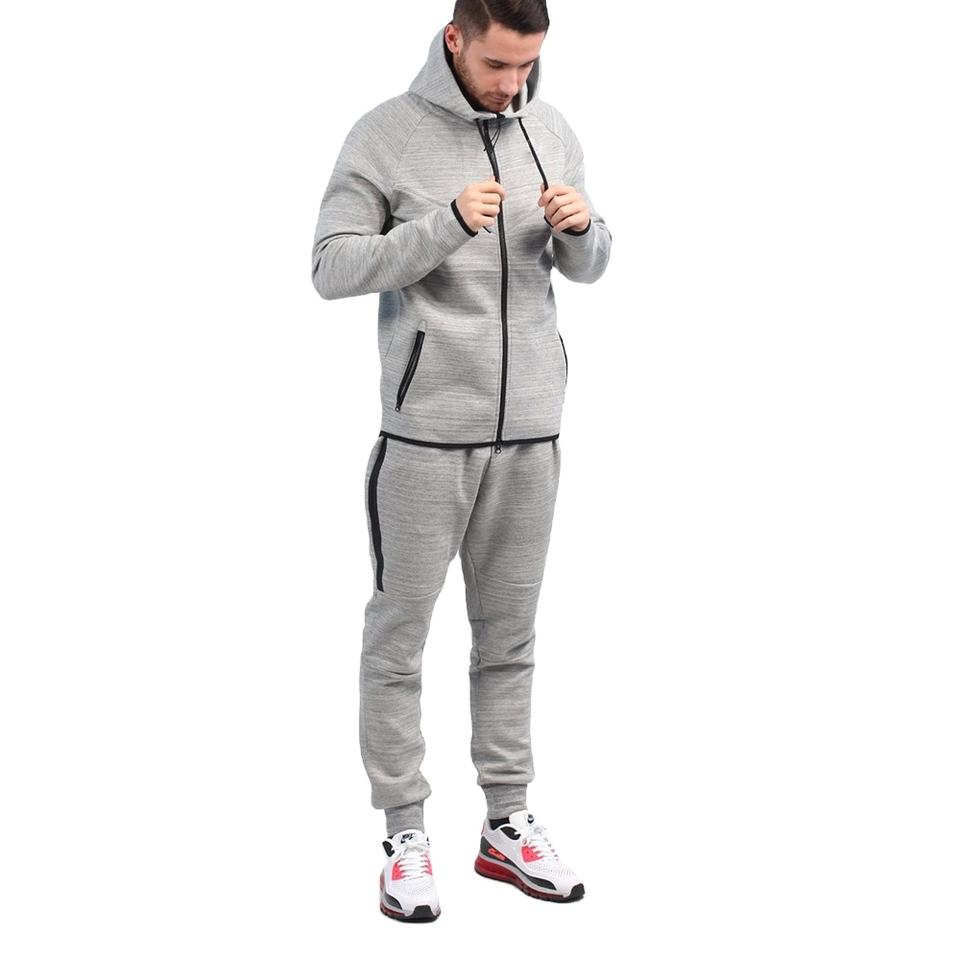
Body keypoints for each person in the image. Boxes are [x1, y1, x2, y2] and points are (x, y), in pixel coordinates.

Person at [310, 0, 611, 922]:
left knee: (510, 640)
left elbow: (591, 265)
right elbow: (330, 267)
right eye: (496, 65)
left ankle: (505, 823)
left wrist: (582, 230)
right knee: (398, 639)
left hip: (533, 434)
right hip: (423, 439)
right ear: (455, 40)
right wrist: (441, 225)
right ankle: (403, 832)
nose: (512, 85)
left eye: (527, 65)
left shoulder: (550, 132)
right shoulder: (387, 135)